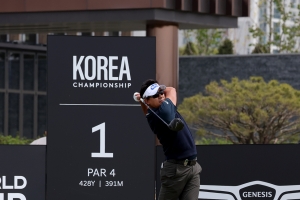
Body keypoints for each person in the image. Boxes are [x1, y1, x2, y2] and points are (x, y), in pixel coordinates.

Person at [133, 79, 202, 200]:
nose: (161, 96)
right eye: (156, 95)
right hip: (176, 171)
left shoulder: (152, 114)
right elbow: (171, 90)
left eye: (161, 92)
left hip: (192, 167)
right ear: (148, 101)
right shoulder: (164, 110)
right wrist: (146, 97)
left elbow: (147, 111)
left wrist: (141, 100)